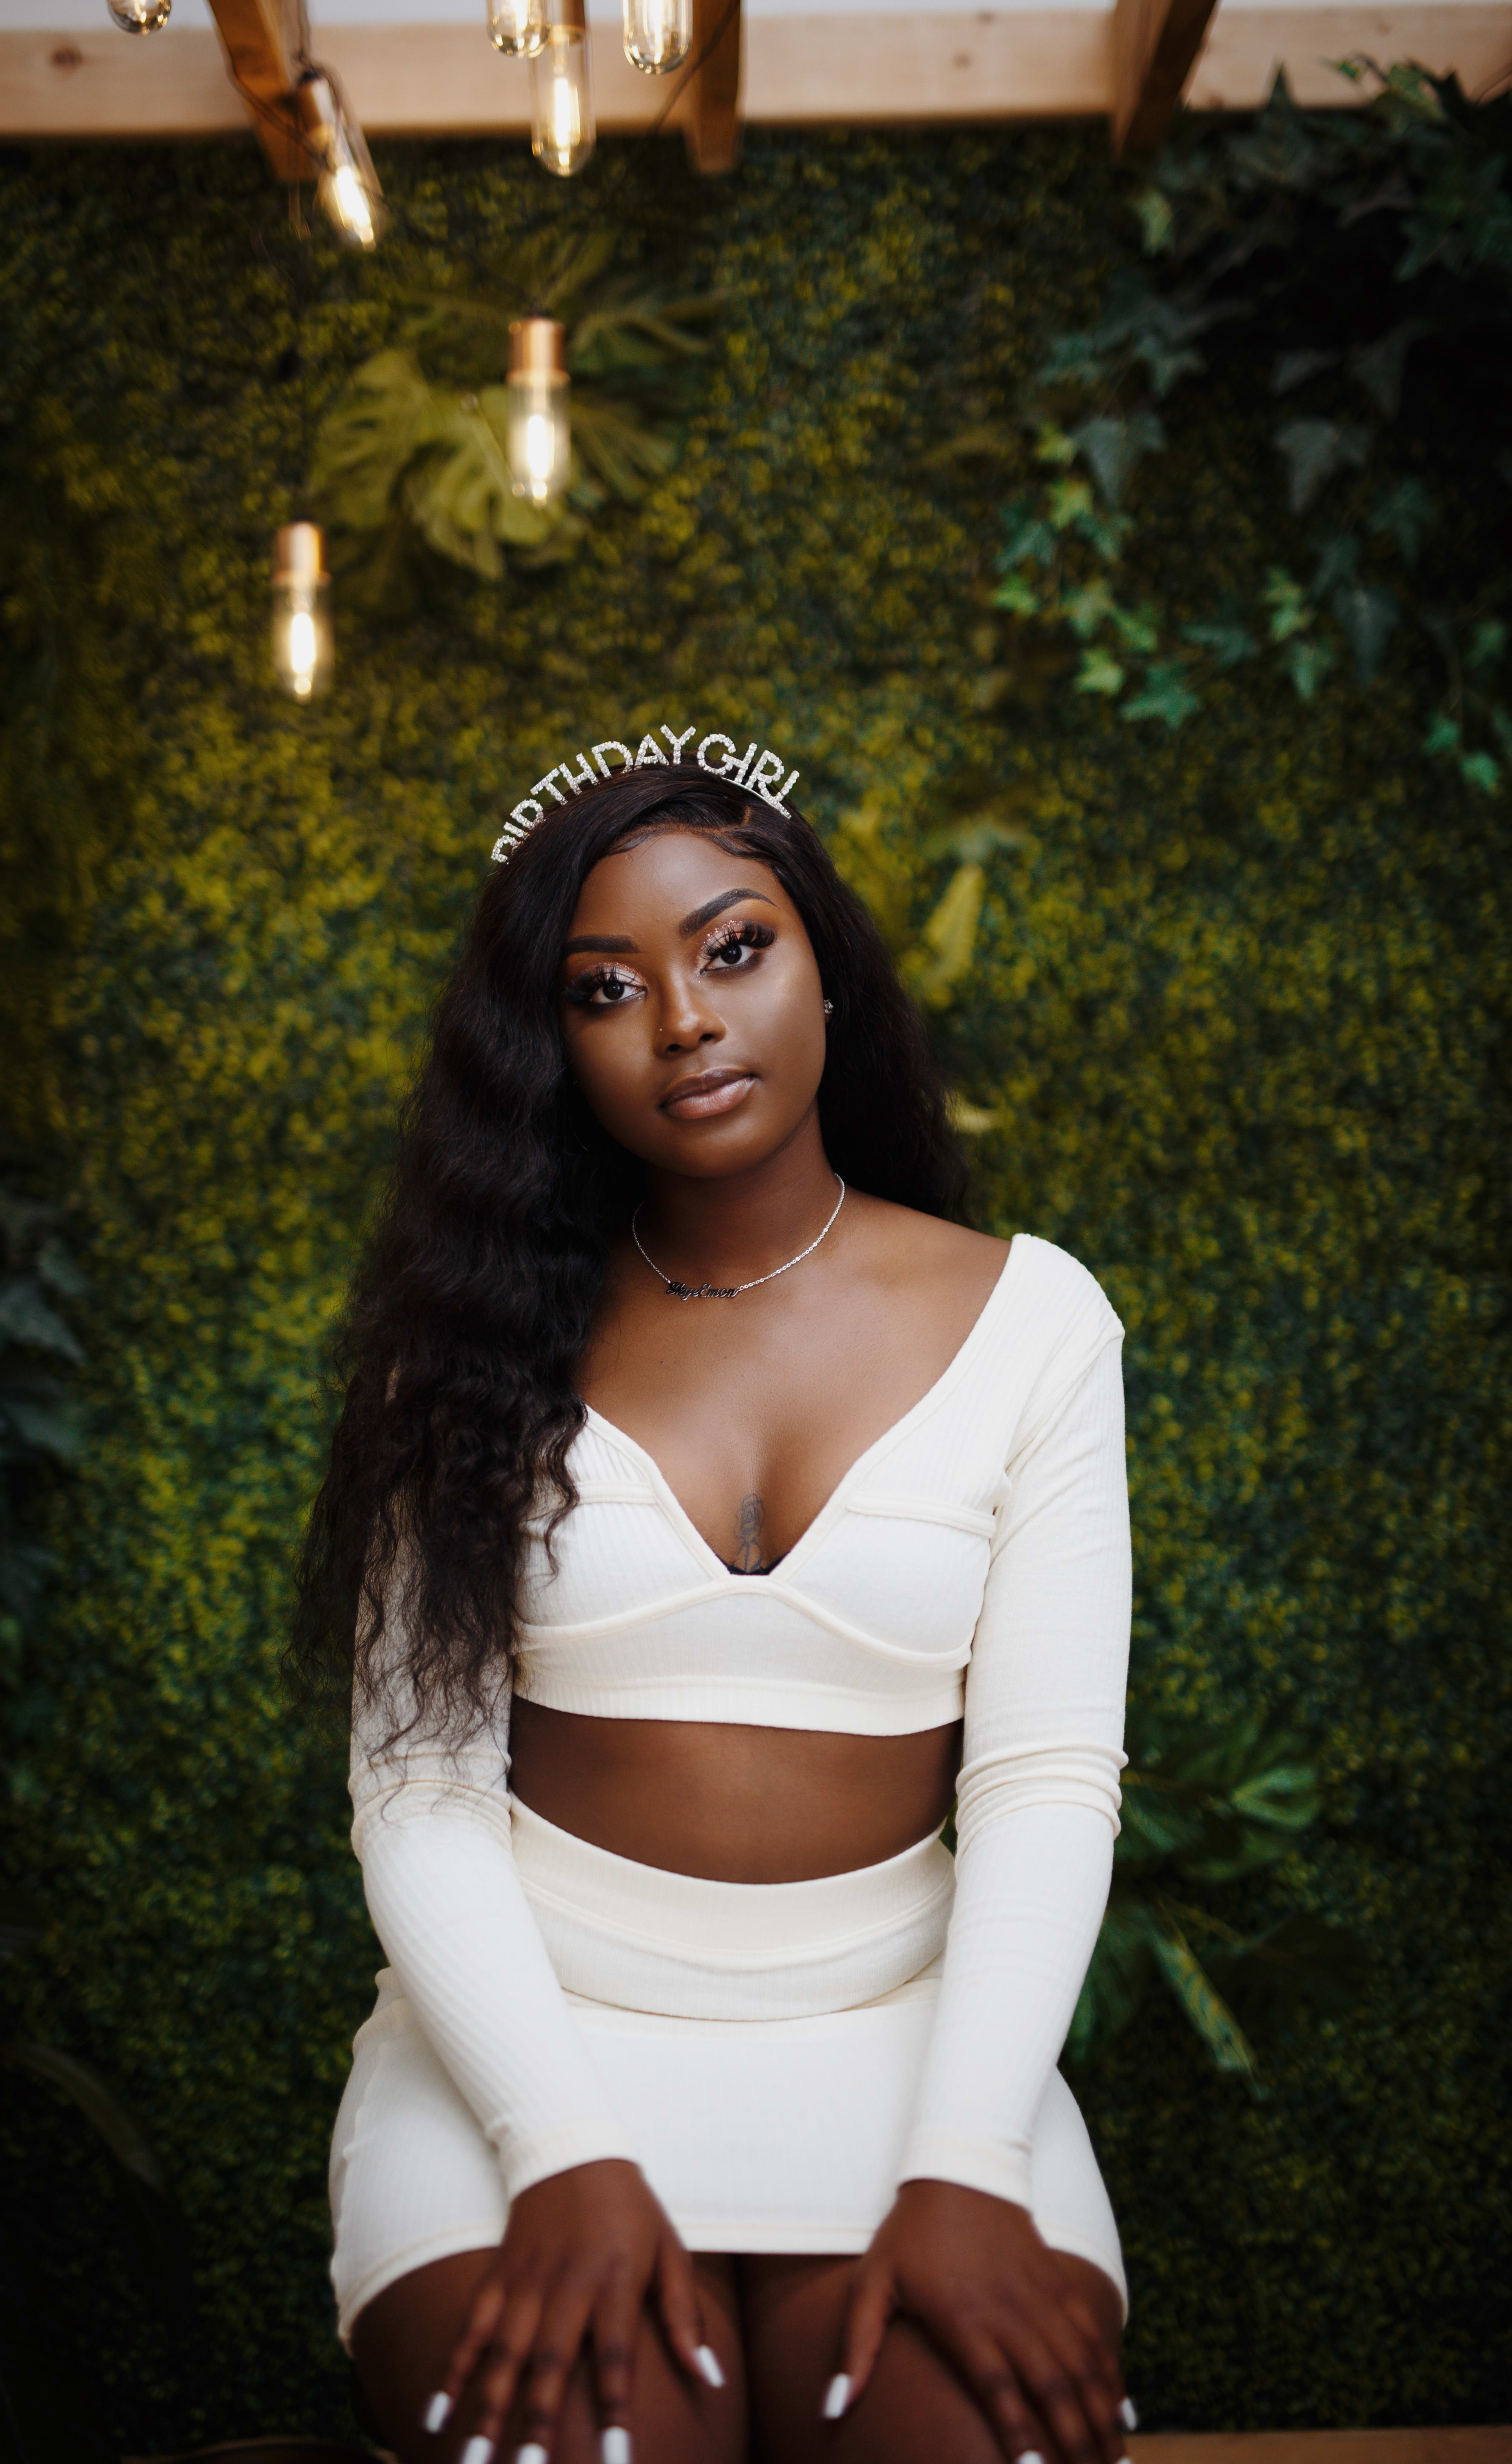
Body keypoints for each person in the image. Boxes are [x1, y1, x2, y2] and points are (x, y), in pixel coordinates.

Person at [293, 757, 1134, 2464]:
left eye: (731, 949)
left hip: (911, 2055)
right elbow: (424, 1793)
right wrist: (562, 2150)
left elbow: (1043, 1782)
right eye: (605, 990)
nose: (681, 1019)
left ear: (823, 960)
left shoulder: (1037, 1327)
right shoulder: (455, 1345)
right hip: (531, 2050)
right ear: (552, 1050)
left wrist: (968, 2164)